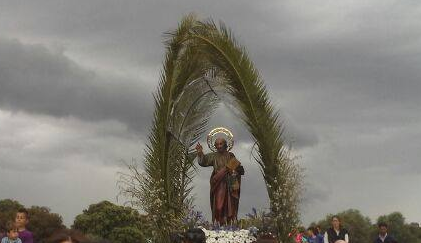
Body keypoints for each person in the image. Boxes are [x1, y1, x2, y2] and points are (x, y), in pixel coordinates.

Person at [195, 137, 245, 225]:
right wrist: (200, 153)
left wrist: (233, 171)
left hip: (230, 183)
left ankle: (229, 224)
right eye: (217, 144)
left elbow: (239, 169)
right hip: (218, 183)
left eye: (221, 144)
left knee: (230, 206)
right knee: (219, 206)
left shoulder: (230, 155)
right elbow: (203, 161)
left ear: (225, 145)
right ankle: (219, 224)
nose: (219, 146)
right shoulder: (213, 156)